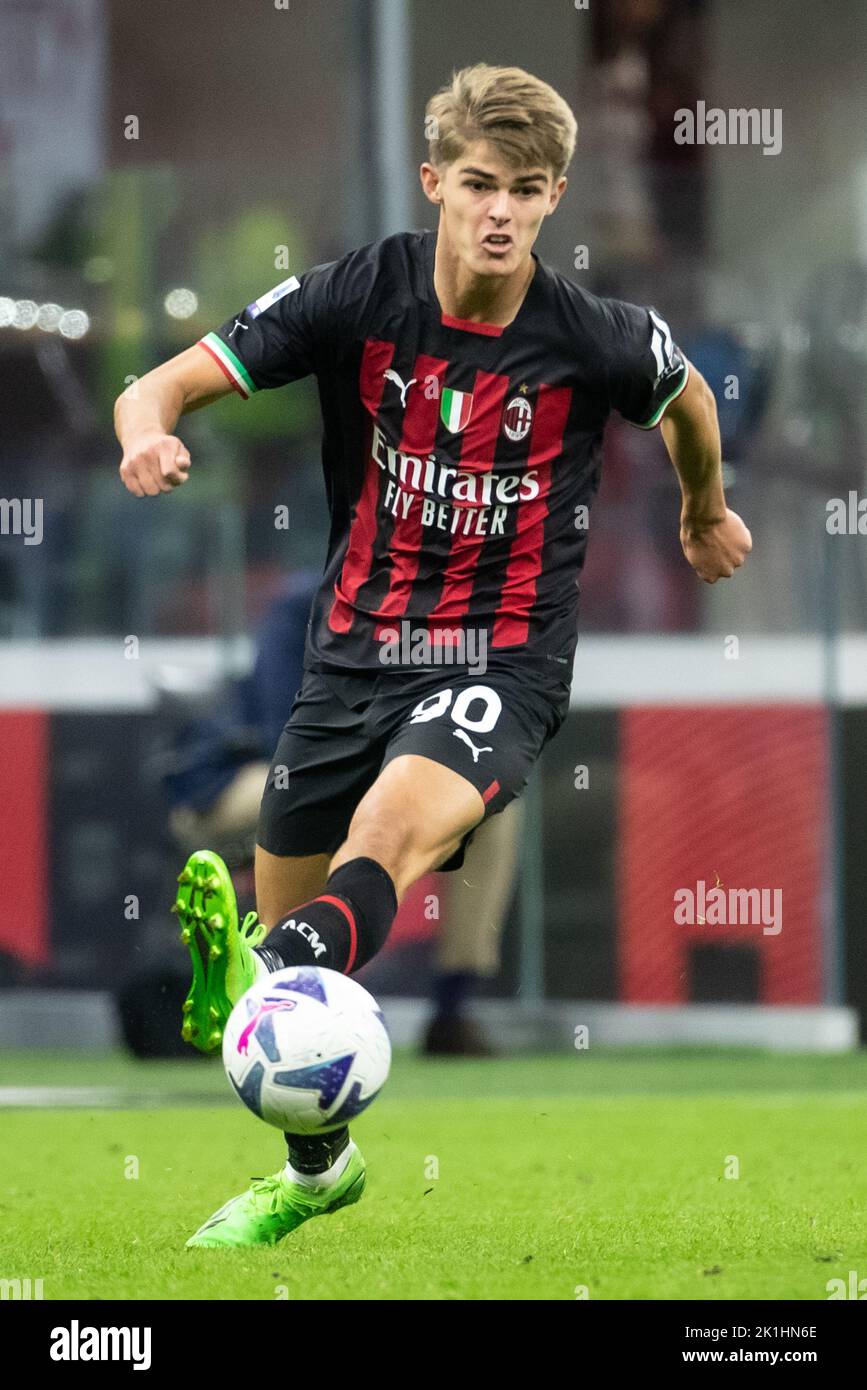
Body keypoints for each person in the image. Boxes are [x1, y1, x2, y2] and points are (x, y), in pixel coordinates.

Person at [114, 63, 751, 1248]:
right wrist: (147, 437)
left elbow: (688, 398)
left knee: (387, 842)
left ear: (553, 197)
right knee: (305, 1006)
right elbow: (162, 384)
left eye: (523, 189)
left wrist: (702, 510)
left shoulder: (594, 336)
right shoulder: (359, 295)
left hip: (500, 660)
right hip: (350, 658)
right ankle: (319, 1162)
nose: (499, 211)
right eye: (476, 184)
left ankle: (258, 964)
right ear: (435, 185)